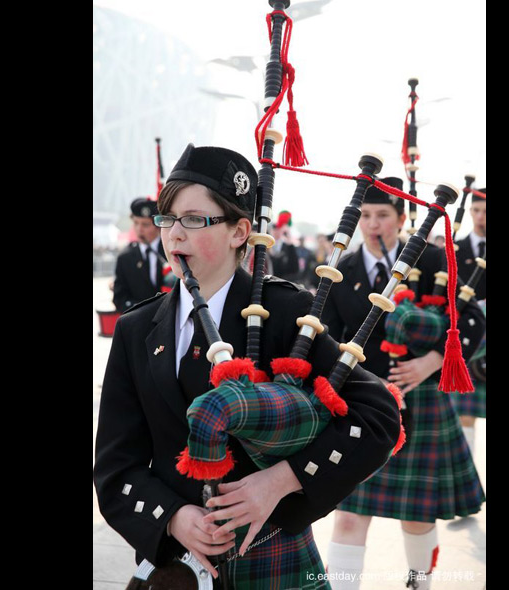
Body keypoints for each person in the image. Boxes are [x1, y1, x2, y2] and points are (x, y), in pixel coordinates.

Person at [93, 144, 401, 589]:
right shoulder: (136, 328)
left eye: (195, 219)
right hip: (173, 564)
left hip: (273, 556)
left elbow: (376, 416)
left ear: (240, 231)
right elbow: (115, 464)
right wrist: (175, 518)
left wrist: (280, 481)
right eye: (167, 218)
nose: (174, 235)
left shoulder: (286, 313)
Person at [320, 178, 486, 589]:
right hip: (360, 404)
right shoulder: (343, 269)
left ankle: (419, 584)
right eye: (366, 216)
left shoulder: (432, 260)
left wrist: (432, 362)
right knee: (349, 515)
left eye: (383, 216)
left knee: (417, 516)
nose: (374, 225)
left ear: (399, 218)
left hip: (422, 400)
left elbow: (470, 322)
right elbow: (330, 334)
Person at [451, 188, 486, 454]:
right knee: (464, 415)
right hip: (469, 336)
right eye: (476, 210)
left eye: (486, 212)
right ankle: (469, 462)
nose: (480, 217)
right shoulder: (455, 250)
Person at [112, 198, 176, 312]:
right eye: (136, 223)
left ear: (157, 225)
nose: (139, 229)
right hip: (138, 321)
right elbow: (119, 297)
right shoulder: (125, 258)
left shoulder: (172, 251)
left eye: (145, 225)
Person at [268, 210, 301, 282]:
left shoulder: (287, 246)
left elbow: (295, 268)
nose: (276, 231)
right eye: (274, 228)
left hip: (282, 280)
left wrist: (290, 243)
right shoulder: (267, 245)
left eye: (278, 228)